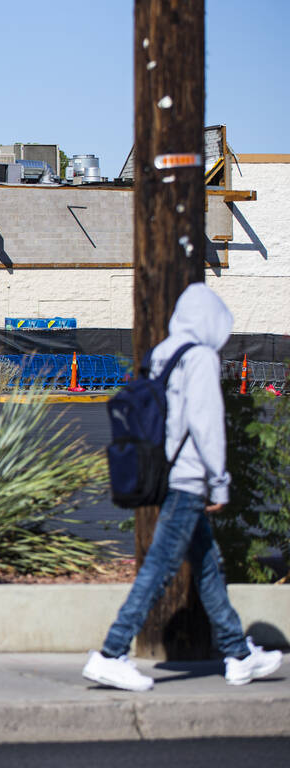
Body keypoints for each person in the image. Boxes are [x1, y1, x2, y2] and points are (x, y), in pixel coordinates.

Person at [83, 283, 283, 691]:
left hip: (161, 470)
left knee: (208, 568)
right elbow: (206, 424)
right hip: (188, 477)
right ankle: (110, 653)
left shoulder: (163, 354)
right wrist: (220, 481)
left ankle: (238, 655)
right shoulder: (201, 358)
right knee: (159, 568)